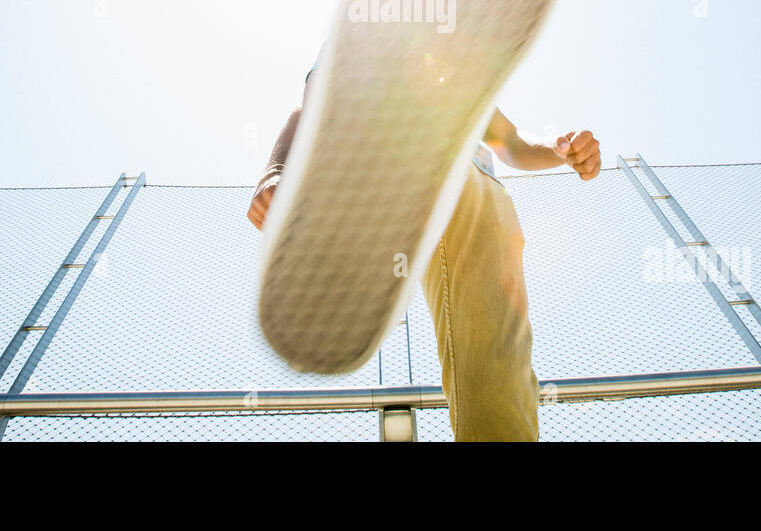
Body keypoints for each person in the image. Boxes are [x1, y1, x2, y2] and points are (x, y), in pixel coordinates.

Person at [247, 57, 600, 441]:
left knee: (497, 364)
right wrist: (276, 168)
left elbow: (511, 143)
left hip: (472, 186)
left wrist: (560, 148)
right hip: (391, 165)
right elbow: (315, 105)